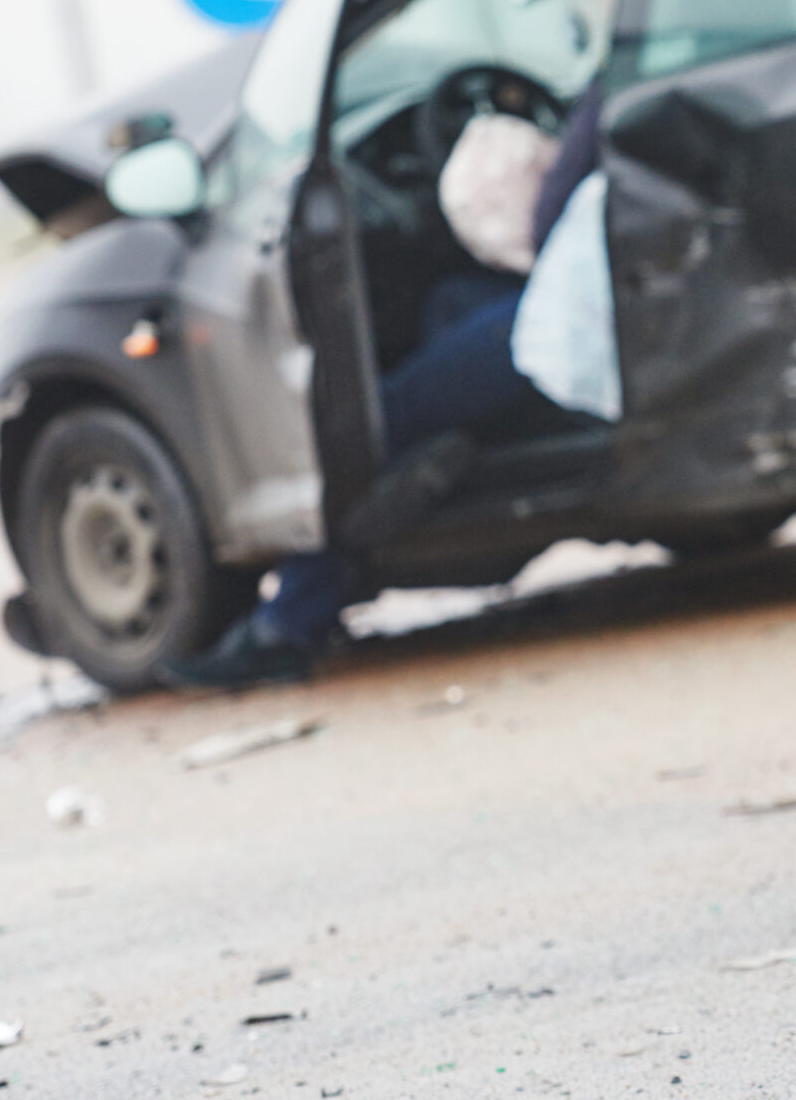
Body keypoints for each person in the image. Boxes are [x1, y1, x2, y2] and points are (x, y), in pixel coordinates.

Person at [160, 87, 615, 689]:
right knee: (448, 301)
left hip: (568, 311)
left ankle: (287, 623)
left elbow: (547, 217)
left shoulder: (620, 80)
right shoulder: (643, 69)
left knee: (376, 417)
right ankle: (461, 443)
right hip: (578, 289)